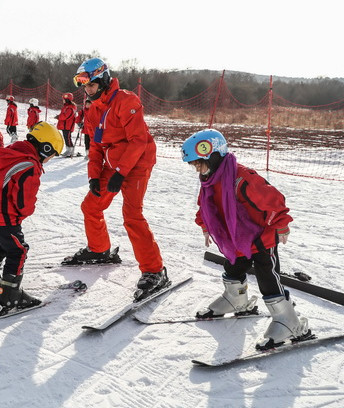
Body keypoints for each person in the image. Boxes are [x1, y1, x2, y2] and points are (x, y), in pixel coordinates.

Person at [181, 129, 311, 350]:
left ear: (213, 156)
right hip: (236, 239)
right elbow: (205, 207)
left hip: (261, 238)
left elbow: (273, 199)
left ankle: (290, 322)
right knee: (232, 267)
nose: (197, 170)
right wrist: (205, 226)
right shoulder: (210, 181)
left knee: (267, 278)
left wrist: (282, 223)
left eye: (199, 164)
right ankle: (236, 300)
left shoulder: (242, 178)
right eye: (193, 165)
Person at [68, 57, 167, 300]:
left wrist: (121, 172)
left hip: (137, 162)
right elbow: (96, 148)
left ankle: (155, 271)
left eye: (90, 85)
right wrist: (94, 175)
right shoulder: (93, 110)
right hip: (115, 164)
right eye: (84, 86)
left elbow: (138, 140)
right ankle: (100, 250)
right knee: (91, 205)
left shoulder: (126, 100)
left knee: (132, 215)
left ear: (102, 79)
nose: (86, 90)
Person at [0, 122, 64, 319]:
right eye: (52, 154)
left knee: (0, 244)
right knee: (18, 250)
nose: (50, 159)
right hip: (1, 217)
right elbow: (23, 202)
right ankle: (10, 296)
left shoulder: (6, 153)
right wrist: (20, 215)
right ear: (46, 148)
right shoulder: (29, 164)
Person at [56, 93, 77, 157]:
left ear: (67, 100)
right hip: (64, 125)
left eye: (64, 99)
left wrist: (59, 117)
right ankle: (68, 150)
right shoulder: (66, 107)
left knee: (68, 138)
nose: (63, 100)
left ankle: (70, 151)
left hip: (68, 126)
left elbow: (66, 116)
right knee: (66, 138)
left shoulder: (70, 108)